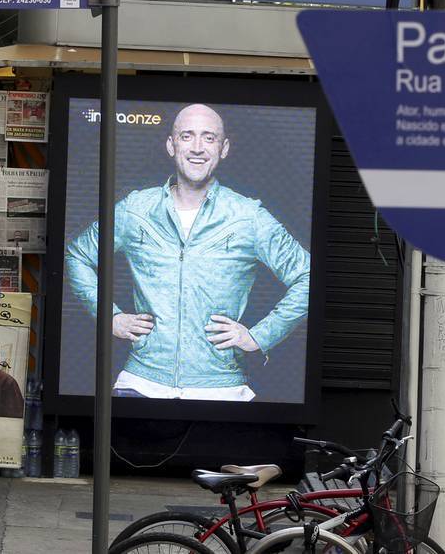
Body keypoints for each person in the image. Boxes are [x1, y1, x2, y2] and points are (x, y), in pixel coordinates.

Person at [65, 103, 311, 401]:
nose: (197, 147)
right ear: (171, 145)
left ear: (224, 148)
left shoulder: (248, 216)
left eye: (209, 137)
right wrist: (110, 317)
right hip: (141, 384)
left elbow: (308, 277)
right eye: (187, 136)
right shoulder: (136, 209)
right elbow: (77, 256)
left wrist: (259, 336)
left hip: (222, 389)